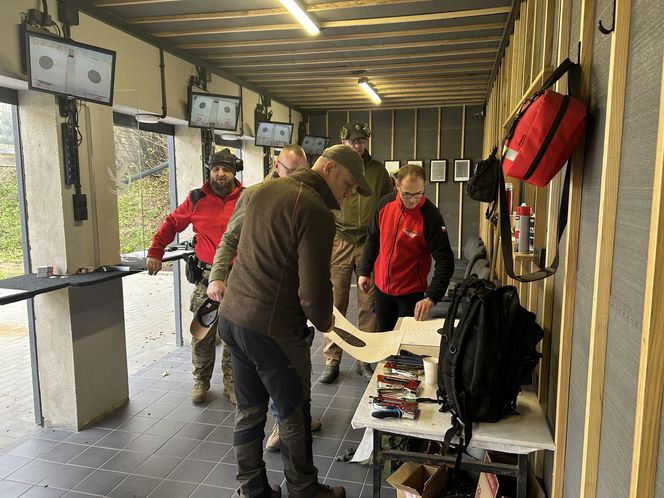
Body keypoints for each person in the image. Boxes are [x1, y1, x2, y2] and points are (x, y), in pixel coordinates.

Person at [218, 144, 371, 498]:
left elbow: (244, 248)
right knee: (293, 414)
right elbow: (313, 290)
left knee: (249, 410)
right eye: (348, 184)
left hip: (234, 319)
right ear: (329, 169)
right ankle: (304, 490)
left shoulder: (264, 190)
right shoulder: (314, 209)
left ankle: (252, 489)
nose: (348, 195)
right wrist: (327, 323)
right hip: (273, 329)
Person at [206, 145, 322, 452]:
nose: (296, 178)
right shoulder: (256, 194)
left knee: (297, 357)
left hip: (292, 296)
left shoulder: (305, 196)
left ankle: (296, 414)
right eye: (290, 171)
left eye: (301, 172)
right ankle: (282, 425)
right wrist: (217, 275)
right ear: (276, 165)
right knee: (270, 365)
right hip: (257, 297)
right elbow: (230, 237)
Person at [147, 148, 243, 404]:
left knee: (233, 336)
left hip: (239, 280)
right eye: (215, 169)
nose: (219, 174)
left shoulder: (246, 198)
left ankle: (232, 384)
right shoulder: (196, 198)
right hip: (206, 279)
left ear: (234, 171)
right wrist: (155, 251)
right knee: (203, 335)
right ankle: (201, 381)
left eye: (225, 169)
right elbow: (171, 223)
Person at [319, 122, 394, 384]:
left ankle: (365, 358)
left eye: (361, 141)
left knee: (368, 306)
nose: (358, 145)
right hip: (339, 240)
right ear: (343, 140)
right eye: (353, 141)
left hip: (368, 243)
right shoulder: (335, 166)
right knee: (335, 303)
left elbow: (388, 202)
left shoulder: (377, 170)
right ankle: (332, 359)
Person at [358, 163, 455, 331]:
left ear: (424, 186)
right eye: (407, 194)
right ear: (397, 186)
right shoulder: (385, 204)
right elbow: (373, 239)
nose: (412, 200)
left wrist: (432, 296)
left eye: (418, 194)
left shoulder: (430, 215)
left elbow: (445, 261)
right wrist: (364, 271)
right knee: (384, 340)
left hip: (411, 294)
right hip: (382, 290)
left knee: (406, 350)